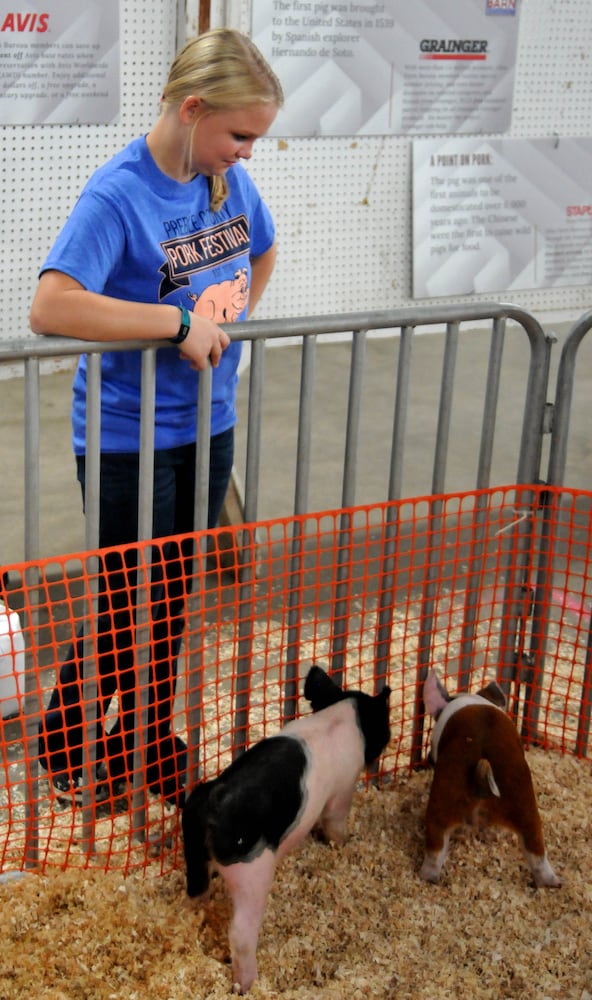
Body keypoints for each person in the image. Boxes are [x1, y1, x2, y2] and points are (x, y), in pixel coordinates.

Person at [29, 28, 284, 807]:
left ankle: (140, 737)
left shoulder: (229, 183)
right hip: (125, 436)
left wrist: (226, 314)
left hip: (207, 427)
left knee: (172, 595)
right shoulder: (119, 192)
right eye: (239, 134)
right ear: (192, 107)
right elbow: (52, 304)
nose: (245, 152)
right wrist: (175, 326)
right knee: (121, 599)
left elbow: (264, 249)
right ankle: (65, 747)